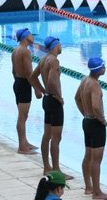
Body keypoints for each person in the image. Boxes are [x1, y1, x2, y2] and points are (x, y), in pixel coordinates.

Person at [31, 36, 71, 177]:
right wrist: (58, 97)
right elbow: (52, 82)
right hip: (54, 101)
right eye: (60, 44)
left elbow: (32, 77)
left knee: (47, 135)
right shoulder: (53, 60)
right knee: (56, 137)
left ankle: (47, 167)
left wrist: (43, 91)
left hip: (47, 100)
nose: (61, 47)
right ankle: (56, 170)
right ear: (56, 45)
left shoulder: (43, 60)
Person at [74, 57, 107, 199]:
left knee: (88, 154)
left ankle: (88, 187)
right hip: (96, 124)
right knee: (96, 159)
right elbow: (96, 106)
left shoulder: (85, 80)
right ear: (99, 69)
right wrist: (102, 120)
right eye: (104, 66)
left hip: (87, 121)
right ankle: (97, 192)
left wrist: (85, 113)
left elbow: (77, 98)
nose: (105, 68)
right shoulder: (95, 85)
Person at [12, 28, 41, 154]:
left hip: (18, 82)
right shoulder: (25, 52)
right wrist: (36, 89)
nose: (32, 36)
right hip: (24, 84)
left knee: (23, 116)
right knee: (22, 117)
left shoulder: (15, 50)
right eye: (30, 34)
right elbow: (29, 73)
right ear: (25, 37)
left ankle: (24, 142)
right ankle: (21, 147)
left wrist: (18, 83)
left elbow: (13, 71)